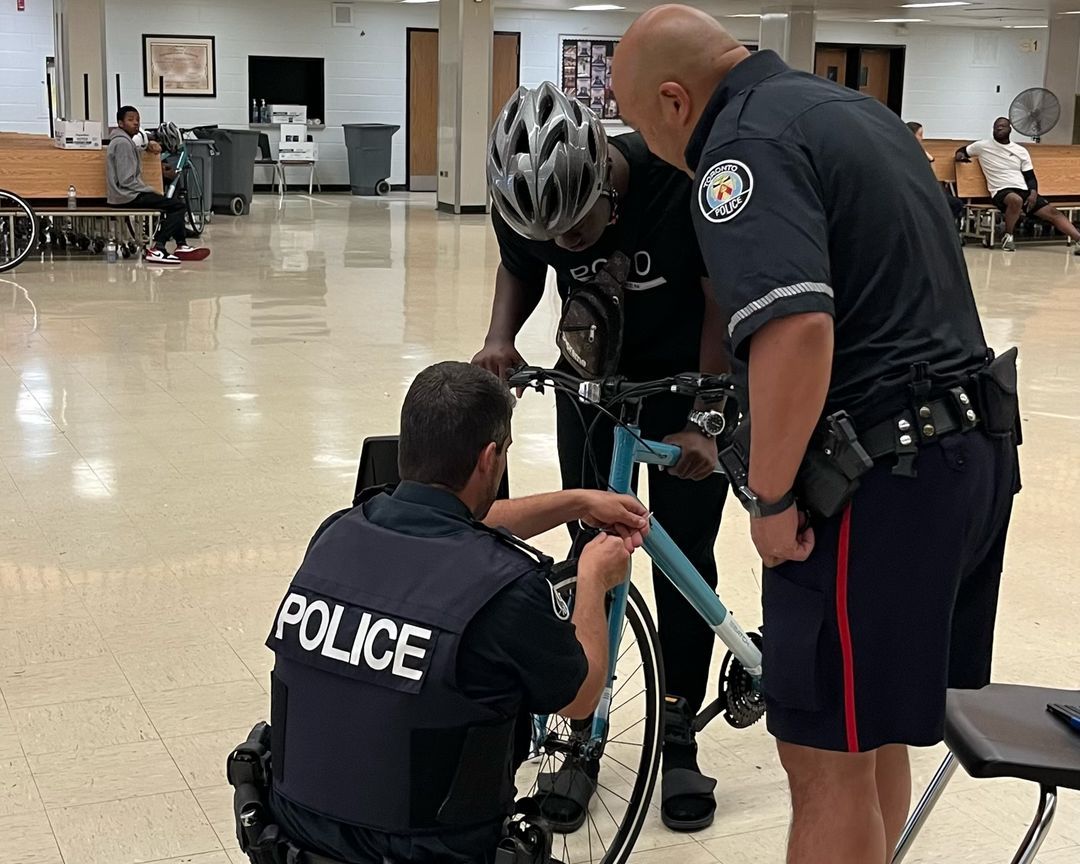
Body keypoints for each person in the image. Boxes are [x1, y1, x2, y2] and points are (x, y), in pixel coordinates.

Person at [612, 9, 1019, 864]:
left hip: (877, 482)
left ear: (677, 100)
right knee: (870, 735)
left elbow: (797, 328)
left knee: (823, 760)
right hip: (963, 450)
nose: (640, 140)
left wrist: (768, 496)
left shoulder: (738, 154)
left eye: (636, 116)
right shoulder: (849, 111)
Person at [262, 361, 649, 864]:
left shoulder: (336, 534)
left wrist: (575, 502)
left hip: (292, 837)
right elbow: (579, 700)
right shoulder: (506, 589)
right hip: (424, 851)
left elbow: (462, 521)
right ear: (490, 458)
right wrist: (593, 578)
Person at [475, 82, 730, 831]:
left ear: (603, 184)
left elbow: (720, 293)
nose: (563, 246)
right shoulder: (531, 201)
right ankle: (585, 735)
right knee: (592, 554)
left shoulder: (673, 178)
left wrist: (709, 414)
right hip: (591, 385)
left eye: (577, 231)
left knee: (683, 555)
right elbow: (520, 266)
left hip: (687, 385)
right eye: (547, 232)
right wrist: (500, 339)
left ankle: (678, 724)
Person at [957, 117, 1080, 253]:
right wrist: (960, 156)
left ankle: (1078, 240)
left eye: (1002, 126)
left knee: (1053, 212)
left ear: (1010, 129)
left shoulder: (1020, 151)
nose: (998, 128)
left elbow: (1030, 177)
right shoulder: (982, 146)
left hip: (1023, 190)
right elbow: (962, 150)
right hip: (1000, 191)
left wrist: (1033, 193)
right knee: (1016, 200)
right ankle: (1008, 237)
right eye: (996, 126)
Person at [107, 106, 209, 265]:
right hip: (127, 196)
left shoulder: (125, 141)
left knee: (175, 204)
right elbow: (126, 180)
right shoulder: (123, 144)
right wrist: (150, 190)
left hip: (128, 193)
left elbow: (145, 141)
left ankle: (181, 245)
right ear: (120, 123)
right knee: (177, 206)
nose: (135, 123)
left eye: (137, 120)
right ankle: (158, 247)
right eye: (130, 120)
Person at [906, 121, 965, 223]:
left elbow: (933, 175)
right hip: (918, 189)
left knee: (956, 204)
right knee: (951, 204)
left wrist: (930, 158)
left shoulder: (920, 151)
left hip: (928, 187)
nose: (922, 138)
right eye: (920, 135)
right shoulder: (907, 152)